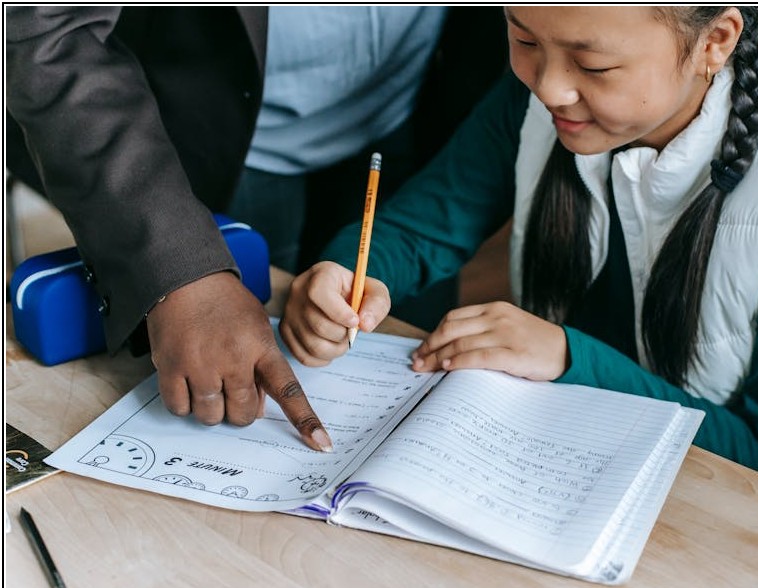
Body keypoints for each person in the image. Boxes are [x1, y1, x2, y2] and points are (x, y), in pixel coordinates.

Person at [280, 6, 758, 535]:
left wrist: (568, 358)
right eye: (521, 36)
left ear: (716, 41)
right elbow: (422, 226)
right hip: (588, 460)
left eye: (594, 64)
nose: (549, 85)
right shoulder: (549, 85)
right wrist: (345, 272)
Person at [5, 7, 507, 451]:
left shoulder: (497, 128)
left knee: (402, 373)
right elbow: (45, 29)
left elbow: (429, 228)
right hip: (222, 135)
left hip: (416, 117)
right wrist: (179, 271)